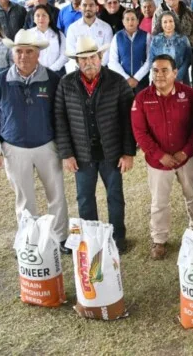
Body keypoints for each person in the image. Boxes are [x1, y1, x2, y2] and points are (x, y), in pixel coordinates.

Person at [0, 30, 69, 253]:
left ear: (38, 54)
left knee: (56, 194)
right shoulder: (1, 79)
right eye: (19, 51)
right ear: (13, 54)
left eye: (28, 51)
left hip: (47, 146)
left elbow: (61, 115)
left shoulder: (52, 79)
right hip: (13, 147)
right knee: (24, 200)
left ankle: (60, 238)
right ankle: (30, 241)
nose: (23, 56)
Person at [54, 36, 135, 253]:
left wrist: (128, 152)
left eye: (92, 56)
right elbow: (60, 120)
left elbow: (129, 120)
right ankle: (91, 240)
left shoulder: (118, 82)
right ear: (77, 62)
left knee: (115, 197)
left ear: (100, 57)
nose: (88, 62)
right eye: (83, 59)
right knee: (85, 199)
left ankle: (118, 238)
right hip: (81, 155)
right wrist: (66, 154)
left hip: (113, 152)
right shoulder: (66, 84)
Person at [131, 55, 193, 260]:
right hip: (158, 162)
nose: (159, 74)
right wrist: (159, 155)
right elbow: (140, 132)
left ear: (175, 73)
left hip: (187, 157)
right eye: (155, 70)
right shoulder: (142, 98)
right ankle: (159, 239)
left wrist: (186, 151)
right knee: (159, 202)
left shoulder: (190, 95)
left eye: (165, 70)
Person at [65, 0, 114, 66]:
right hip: (79, 69)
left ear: (97, 8)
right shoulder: (72, 28)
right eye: (84, 5)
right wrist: (83, 67)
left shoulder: (106, 27)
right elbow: (71, 51)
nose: (88, 8)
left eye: (91, 5)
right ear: (79, 8)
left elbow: (108, 51)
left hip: (101, 68)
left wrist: (97, 67)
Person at [150, 12, 192, 85]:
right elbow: (152, 59)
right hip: (160, 78)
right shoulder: (155, 40)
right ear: (161, 24)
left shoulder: (183, 39)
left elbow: (188, 59)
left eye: (170, 21)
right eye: (165, 22)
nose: (168, 24)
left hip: (180, 79)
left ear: (175, 22)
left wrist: (177, 76)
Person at [30, 5, 67, 74]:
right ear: (34, 19)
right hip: (35, 73)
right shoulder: (28, 34)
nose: (41, 18)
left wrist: (51, 70)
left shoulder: (58, 34)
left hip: (57, 72)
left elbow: (65, 55)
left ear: (49, 18)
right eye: (37, 16)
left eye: (44, 15)